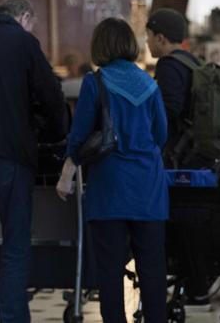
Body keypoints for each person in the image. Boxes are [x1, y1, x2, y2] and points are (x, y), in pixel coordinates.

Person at [56, 18, 168, 322]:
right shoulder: (149, 83)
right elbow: (161, 134)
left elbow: (79, 136)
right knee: (153, 271)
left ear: (100, 45)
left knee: (109, 271)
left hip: (110, 189)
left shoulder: (97, 82)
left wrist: (68, 170)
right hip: (149, 190)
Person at [0, 0, 66, 323]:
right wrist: (54, 134)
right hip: (11, 158)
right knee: (14, 246)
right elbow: (51, 95)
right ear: (24, 17)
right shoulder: (23, 43)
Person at [145, 8, 199, 165]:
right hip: (193, 146)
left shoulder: (168, 65)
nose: (147, 42)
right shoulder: (191, 61)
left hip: (178, 150)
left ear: (160, 38)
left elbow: (168, 109)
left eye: (148, 36)